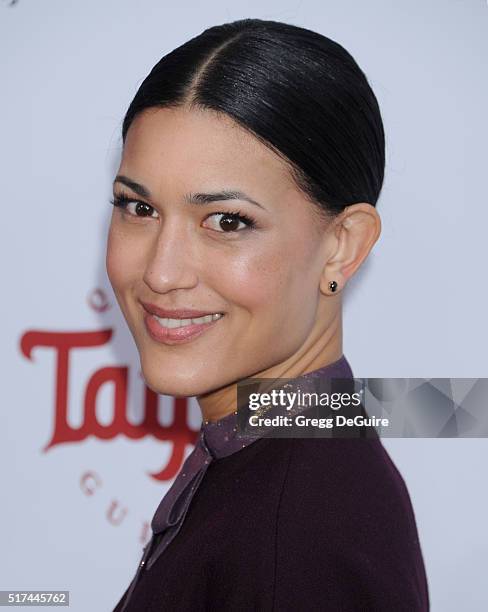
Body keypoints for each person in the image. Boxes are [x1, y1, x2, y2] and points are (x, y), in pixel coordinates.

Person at [107, 17, 429, 611]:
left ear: (343, 245)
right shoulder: (285, 458)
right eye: (139, 207)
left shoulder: (301, 531)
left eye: (227, 221)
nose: (161, 272)